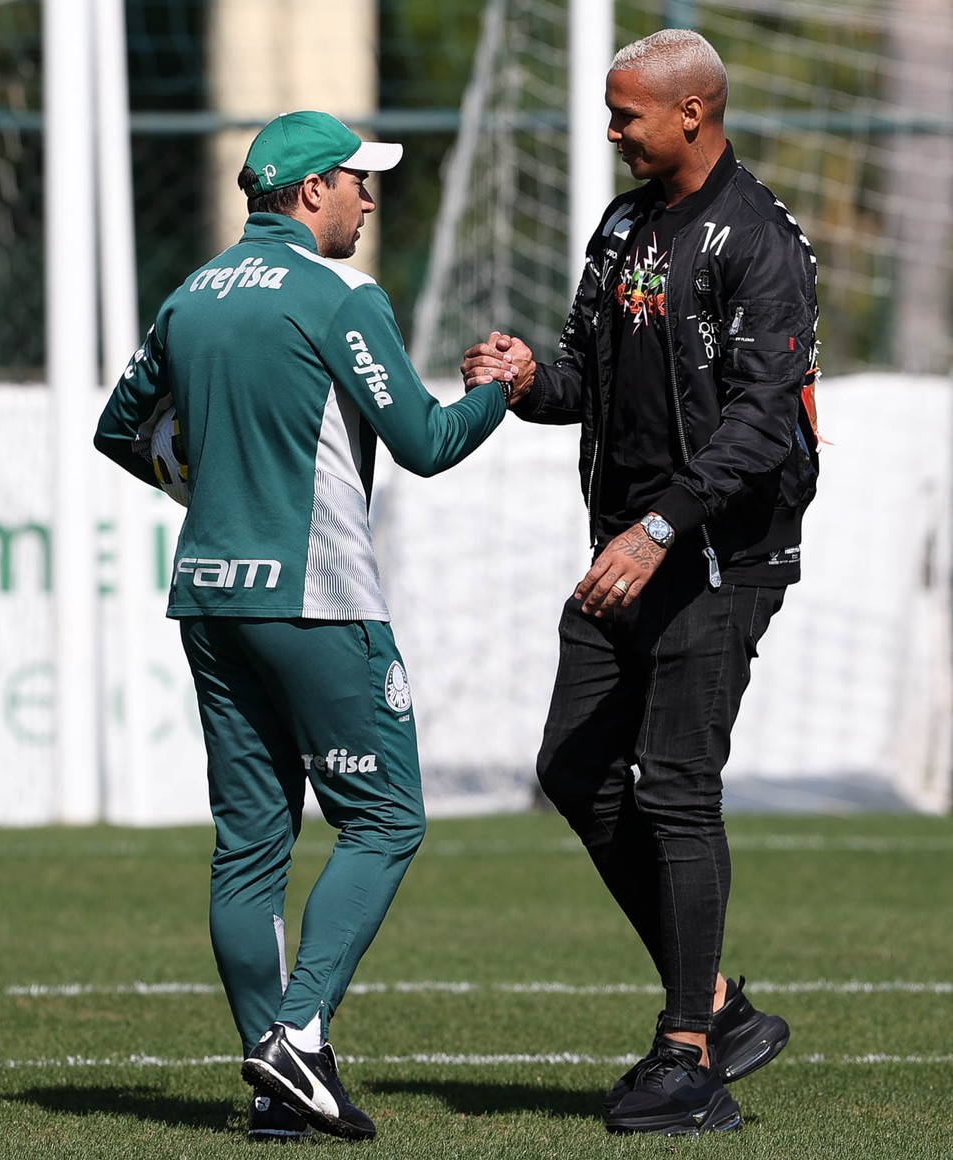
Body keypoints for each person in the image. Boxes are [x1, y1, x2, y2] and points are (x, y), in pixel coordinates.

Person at [95, 110, 514, 1143]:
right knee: (385, 819)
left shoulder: (191, 296)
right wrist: (495, 393)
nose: (371, 198)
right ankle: (298, 1032)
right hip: (316, 595)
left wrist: (204, 488)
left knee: (249, 846)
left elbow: (119, 430)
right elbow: (422, 440)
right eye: (359, 181)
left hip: (208, 593)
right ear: (311, 190)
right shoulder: (339, 294)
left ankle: (275, 1084)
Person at [462, 29, 819, 1137]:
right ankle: (716, 1004)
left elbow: (765, 419)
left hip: (718, 549)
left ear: (693, 114)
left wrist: (661, 525)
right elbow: (588, 371)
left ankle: (688, 1055)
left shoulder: (759, 239)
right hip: (632, 542)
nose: (612, 132)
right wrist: (530, 380)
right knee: (573, 766)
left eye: (626, 116)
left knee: (674, 784)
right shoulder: (622, 226)